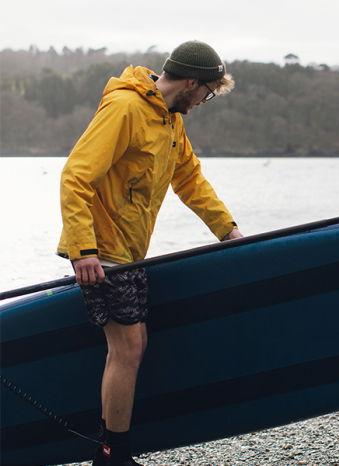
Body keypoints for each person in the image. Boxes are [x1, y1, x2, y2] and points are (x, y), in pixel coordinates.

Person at [57, 40, 243, 466]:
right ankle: (112, 457)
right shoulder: (125, 109)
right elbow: (75, 176)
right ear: (192, 82)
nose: (204, 100)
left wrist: (228, 231)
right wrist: (83, 250)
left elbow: (190, 180)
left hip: (129, 250)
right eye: (208, 92)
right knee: (126, 350)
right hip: (101, 247)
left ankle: (114, 451)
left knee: (134, 345)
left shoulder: (169, 120)